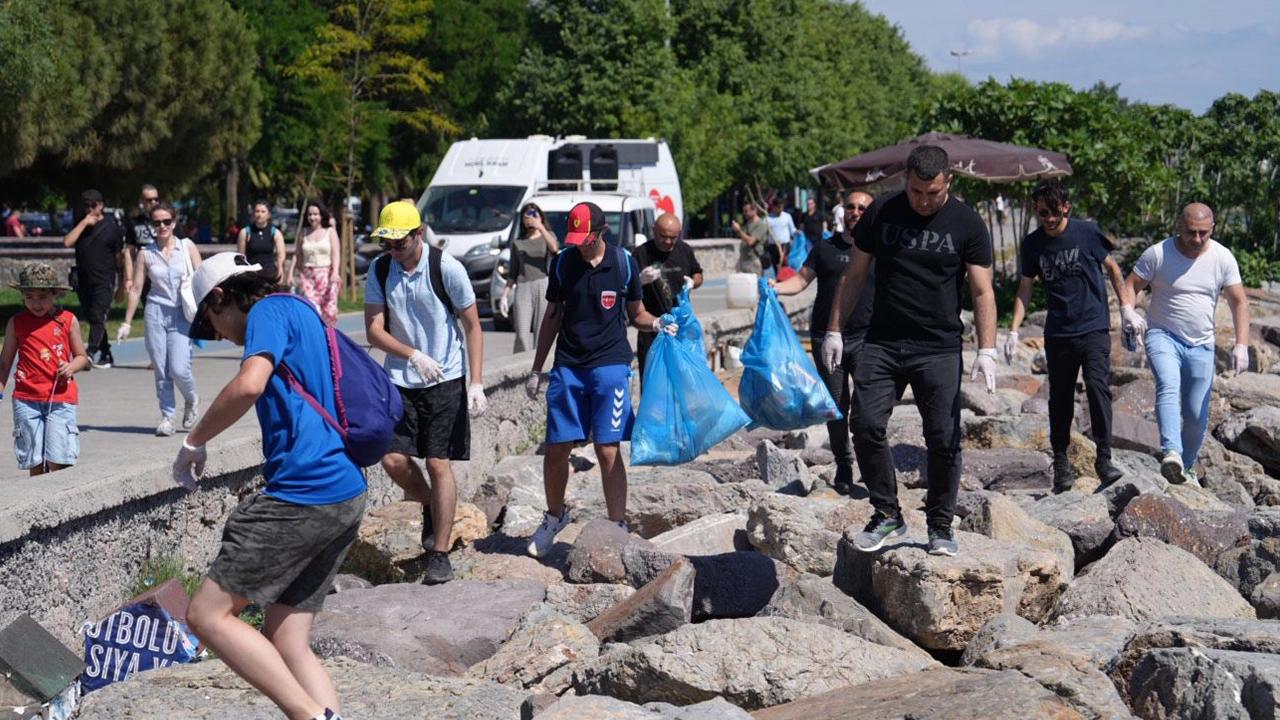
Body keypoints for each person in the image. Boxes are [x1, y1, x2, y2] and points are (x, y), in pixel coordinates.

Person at [173, 253, 361, 720]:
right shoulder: (299, 307)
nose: (216, 333)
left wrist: (194, 441)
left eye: (210, 321)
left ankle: (308, 716)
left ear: (222, 296)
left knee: (206, 615)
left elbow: (250, 384)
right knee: (286, 635)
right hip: (346, 488)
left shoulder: (267, 313)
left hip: (304, 489)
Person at [824, 145, 997, 558]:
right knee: (864, 424)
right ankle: (887, 512)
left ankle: (940, 523)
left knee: (943, 437)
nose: (923, 201)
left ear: (948, 183)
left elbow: (982, 289)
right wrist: (833, 330)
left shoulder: (967, 223)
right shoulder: (882, 212)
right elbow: (855, 274)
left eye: (932, 193)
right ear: (905, 180)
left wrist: (986, 349)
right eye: (916, 191)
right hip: (882, 340)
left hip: (937, 346)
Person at [523, 201, 678, 558]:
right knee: (557, 447)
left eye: (585, 237)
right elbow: (552, 317)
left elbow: (635, 313)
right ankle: (553, 516)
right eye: (575, 237)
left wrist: (655, 323)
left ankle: (617, 524)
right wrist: (536, 368)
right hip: (569, 366)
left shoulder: (623, 263)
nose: (580, 244)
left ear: (601, 232)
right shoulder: (563, 262)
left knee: (607, 448)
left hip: (610, 365)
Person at [364, 200, 487, 585]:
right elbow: (374, 330)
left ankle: (440, 553)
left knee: (438, 463)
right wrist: (412, 354)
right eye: (387, 244)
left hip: (445, 378)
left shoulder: (446, 268)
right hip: (402, 377)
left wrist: (477, 382)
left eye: (399, 243)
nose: (393, 251)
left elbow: (473, 326)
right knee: (392, 458)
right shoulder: (381, 269)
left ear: (419, 234)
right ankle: (433, 505)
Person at [1005, 180, 1128, 491]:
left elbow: (1113, 268)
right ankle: (1061, 462)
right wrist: (1013, 329)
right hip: (1059, 332)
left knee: (1099, 389)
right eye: (1042, 213)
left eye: (1054, 213)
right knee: (1059, 398)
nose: (1048, 219)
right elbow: (1025, 287)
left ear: (1066, 208)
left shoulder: (1086, 232)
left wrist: (1127, 309)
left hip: (1093, 326)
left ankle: (1104, 457)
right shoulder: (1033, 244)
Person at [1122, 203, 1250, 485]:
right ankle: (1171, 452)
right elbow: (1130, 285)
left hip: (1202, 343)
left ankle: (1186, 468)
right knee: (1168, 384)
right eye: (1191, 232)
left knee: (1196, 414)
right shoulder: (1158, 253)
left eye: (1203, 233)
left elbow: (1239, 301)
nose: (1196, 239)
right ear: (1179, 226)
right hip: (1163, 334)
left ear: (1212, 229)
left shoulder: (1223, 258)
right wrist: (1128, 311)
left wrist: (1242, 345)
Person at [774, 190, 874, 496]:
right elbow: (801, 280)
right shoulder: (825, 248)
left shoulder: (880, 250)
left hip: (868, 336)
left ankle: (872, 464)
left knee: (867, 407)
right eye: (850, 207)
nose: (855, 211)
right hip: (825, 337)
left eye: (862, 208)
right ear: (842, 212)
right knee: (835, 404)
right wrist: (774, 287)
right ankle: (844, 463)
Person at [116, 202, 202, 436]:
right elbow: (136, 289)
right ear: (151, 225)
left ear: (174, 223)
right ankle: (167, 416)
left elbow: (202, 279)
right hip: (155, 312)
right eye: (157, 222)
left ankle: (191, 398)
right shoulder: (146, 253)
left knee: (179, 368)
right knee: (162, 369)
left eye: (166, 221)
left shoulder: (187, 247)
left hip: (181, 313)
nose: (162, 226)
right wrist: (126, 322)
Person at [0, 264, 90, 476]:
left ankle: (65, 503)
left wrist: (71, 367)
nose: (36, 303)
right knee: (34, 461)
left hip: (59, 398)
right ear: (22, 296)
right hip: (26, 399)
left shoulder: (67, 320)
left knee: (59, 460)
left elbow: (82, 357)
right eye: (29, 297)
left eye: (42, 297)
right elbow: (5, 363)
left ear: (55, 294)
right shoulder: (17, 323)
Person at [64, 189, 132, 369]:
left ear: (101, 205)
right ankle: (107, 353)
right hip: (83, 280)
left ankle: (90, 352)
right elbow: (67, 242)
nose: (89, 209)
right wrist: (84, 222)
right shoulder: (80, 224)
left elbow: (120, 259)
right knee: (92, 317)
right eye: (85, 206)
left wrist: (121, 285)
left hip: (104, 280)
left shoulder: (112, 228)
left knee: (97, 315)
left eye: (92, 205)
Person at [634, 212, 703, 379]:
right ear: (653, 231)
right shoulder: (641, 254)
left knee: (683, 379)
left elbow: (698, 274)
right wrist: (639, 281)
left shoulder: (684, 250)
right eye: (663, 236)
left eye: (673, 237)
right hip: (653, 327)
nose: (668, 242)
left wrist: (692, 282)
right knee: (653, 378)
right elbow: (626, 288)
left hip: (681, 328)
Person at [499, 202, 558, 354]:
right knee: (522, 332)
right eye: (528, 215)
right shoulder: (518, 242)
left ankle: (539, 367)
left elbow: (554, 249)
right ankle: (521, 368)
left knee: (541, 331)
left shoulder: (547, 235)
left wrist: (541, 226)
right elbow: (512, 272)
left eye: (534, 214)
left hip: (543, 284)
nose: (531, 218)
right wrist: (505, 296)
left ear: (540, 216)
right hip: (523, 286)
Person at [287, 201, 342, 326]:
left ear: (321, 215)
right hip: (308, 277)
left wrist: (335, 272)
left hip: (327, 276)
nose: (312, 217)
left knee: (329, 312)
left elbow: (335, 253)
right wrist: (290, 274)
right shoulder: (303, 233)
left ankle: (330, 340)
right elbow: (297, 254)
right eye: (310, 214)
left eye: (315, 214)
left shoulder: (330, 232)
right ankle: (315, 338)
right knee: (312, 310)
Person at [238, 201, 286, 286]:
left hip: (270, 275)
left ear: (269, 215)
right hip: (252, 276)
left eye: (263, 212)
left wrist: (280, 270)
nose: (259, 214)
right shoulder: (245, 232)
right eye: (257, 211)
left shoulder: (275, 232)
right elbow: (241, 256)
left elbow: (281, 254)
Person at [731, 202, 771, 276]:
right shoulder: (748, 224)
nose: (744, 213)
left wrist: (739, 230)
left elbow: (751, 241)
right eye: (744, 211)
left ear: (754, 211)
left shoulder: (761, 224)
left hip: (753, 260)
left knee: (754, 285)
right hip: (743, 260)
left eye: (746, 211)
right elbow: (743, 237)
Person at [766, 197, 796, 270]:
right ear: (774, 207)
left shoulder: (787, 216)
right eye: (778, 207)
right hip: (773, 246)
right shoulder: (768, 218)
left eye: (782, 207)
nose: (780, 209)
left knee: (784, 264)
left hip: (785, 245)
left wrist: (797, 232)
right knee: (775, 265)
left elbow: (792, 230)